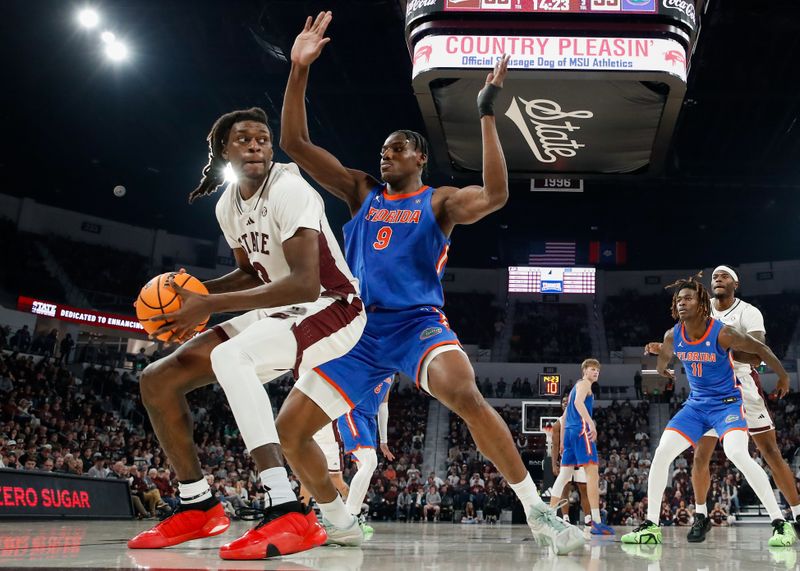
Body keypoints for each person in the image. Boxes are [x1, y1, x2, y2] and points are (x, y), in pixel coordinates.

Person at [274, 11, 583, 556]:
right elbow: (295, 142)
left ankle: (538, 513)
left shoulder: (438, 201)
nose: (384, 154)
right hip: (355, 328)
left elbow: (494, 194)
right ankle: (336, 518)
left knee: (463, 391)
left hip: (415, 323)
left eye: (396, 148)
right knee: (291, 432)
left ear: (419, 156)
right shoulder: (360, 191)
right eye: (383, 150)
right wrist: (299, 70)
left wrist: (487, 116)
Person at [126, 106, 366, 560]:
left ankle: (284, 506)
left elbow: (304, 282)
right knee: (157, 378)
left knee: (229, 357)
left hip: (332, 306)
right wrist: (191, 296)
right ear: (223, 150)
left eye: (262, 138)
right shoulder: (226, 204)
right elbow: (250, 273)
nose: (256, 144)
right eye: (244, 139)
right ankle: (198, 504)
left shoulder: (290, 188)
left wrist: (208, 305)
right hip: (279, 309)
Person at [622, 274, 796, 547]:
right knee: (662, 454)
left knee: (737, 453)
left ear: (702, 303)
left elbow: (760, 348)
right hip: (696, 406)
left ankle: (780, 523)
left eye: (688, 298)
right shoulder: (673, 334)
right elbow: (665, 355)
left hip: (726, 403)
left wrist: (782, 375)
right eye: (678, 299)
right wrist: (662, 370)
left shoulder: (722, 332)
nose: (682, 303)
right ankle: (650, 526)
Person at [549, 360, 615, 537]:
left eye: (597, 370)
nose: (596, 372)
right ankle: (597, 522)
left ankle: (548, 516)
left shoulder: (574, 388)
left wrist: (563, 441)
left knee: (563, 476)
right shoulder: (584, 384)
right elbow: (579, 403)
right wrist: (591, 424)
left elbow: (564, 417)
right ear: (584, 371)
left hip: (570, 433)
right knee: (592, 475)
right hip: (581, 431)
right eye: (592, 369)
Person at [549, 394, 592, 534]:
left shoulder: (582, 420)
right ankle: (565, 519)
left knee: (583, 489)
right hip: (566, 460)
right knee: (564, 489)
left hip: (580, 460)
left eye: (568, 401)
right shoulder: (558, 424)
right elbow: (554, 446)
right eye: (563, 402)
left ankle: (588, 520)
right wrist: (554, 464)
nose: (565, 403)